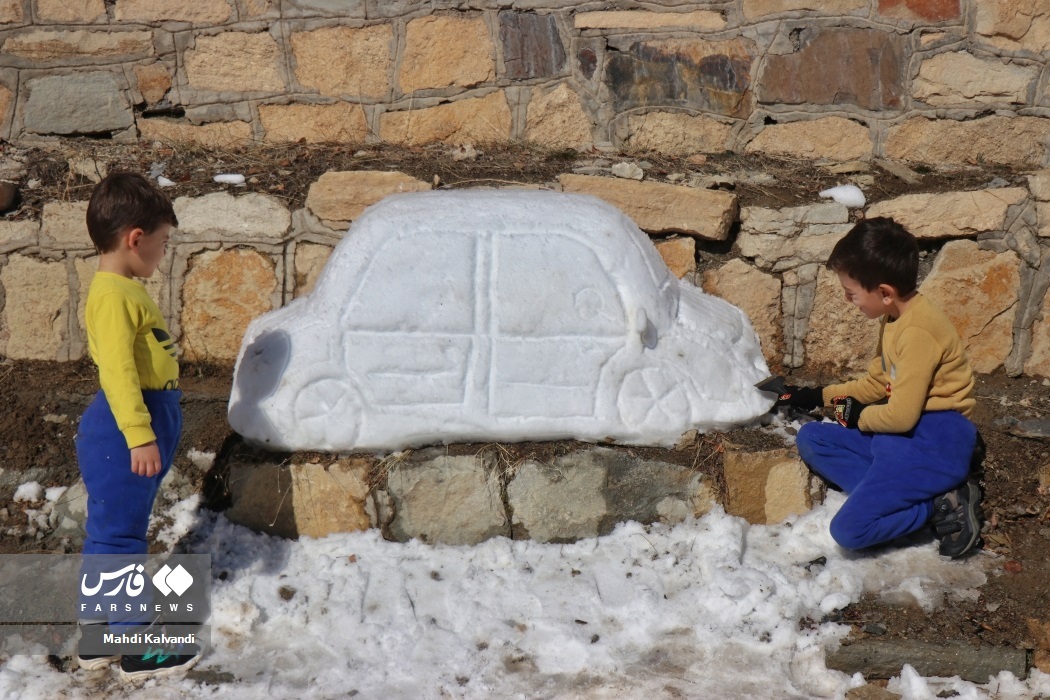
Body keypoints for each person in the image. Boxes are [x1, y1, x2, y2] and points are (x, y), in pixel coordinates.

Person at [777, 217, 982, 559]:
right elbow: (877, 383)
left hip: (934, 442)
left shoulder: (918, 333)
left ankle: (934, 504)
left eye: (851, 293)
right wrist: (817, 396)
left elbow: (900, 416)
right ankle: (894, 492)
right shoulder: (894, 318)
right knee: (812, 438)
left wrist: (859, 418)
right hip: (901, 438)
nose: (848, 300)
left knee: (848, 530)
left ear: (884, 293)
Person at [75, 172, 201, 680]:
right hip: (123, 429)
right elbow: (119, 374)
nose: (163, 254)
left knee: (111, 534)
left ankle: (99, 637)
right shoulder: (113, 296)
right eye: (163, 243)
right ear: (136, 238)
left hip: (134, 424)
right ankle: (135, 645)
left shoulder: (121, 289)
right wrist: (140, 434)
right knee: (121, 538)